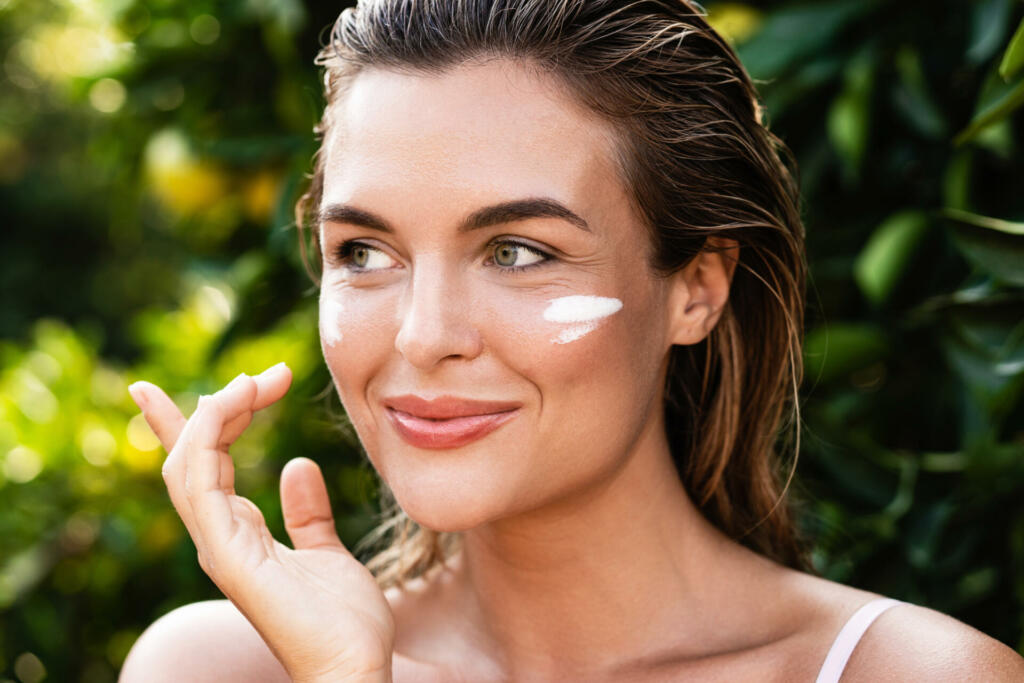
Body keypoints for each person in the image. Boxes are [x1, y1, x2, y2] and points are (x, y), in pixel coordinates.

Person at [119, 1, 1024, 681]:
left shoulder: (916, 674)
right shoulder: (217, 666)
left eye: (516, 251)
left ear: (697, 290)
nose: (424, 335)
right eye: (365, 251)